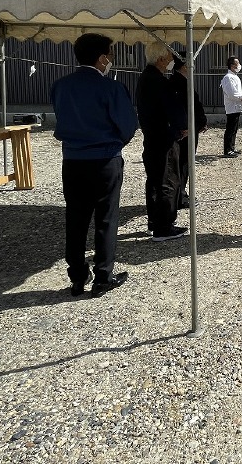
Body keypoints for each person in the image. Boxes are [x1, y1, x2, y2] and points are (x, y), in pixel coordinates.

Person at [50, 33, 138, 297]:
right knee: (106, 218)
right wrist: (114, 143)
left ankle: (77, 276)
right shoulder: (111, 87)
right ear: (102, 58)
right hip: (105, 159)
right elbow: (128, 125)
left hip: (73, 160)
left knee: (75, 217)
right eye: (110, 55)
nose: (111, 60)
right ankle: (103, 275)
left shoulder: (61, 85)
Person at [136, 41, 188, 241]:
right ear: (160, 59)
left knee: (155, 181)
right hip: (164, 138)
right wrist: (182, 127)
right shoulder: (159, 81)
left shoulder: (146, 78)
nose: (170, 61)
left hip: (151, 137)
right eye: (168, 57)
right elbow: (173, 110)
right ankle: (164, 226)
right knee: (167, 180)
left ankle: (154, 221)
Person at [169, 57, 208, 210]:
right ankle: (180, 195)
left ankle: (180, 193)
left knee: (184, 162)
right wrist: (189, 126)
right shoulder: (179, 83)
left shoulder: (180, 81)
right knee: (183, 163)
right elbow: (185, 108)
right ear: (185, 65)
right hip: (185, 131)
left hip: (189, 128)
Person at [220, 55, 242, 158]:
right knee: (230, 128)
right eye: (237, 64)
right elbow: (231, 93)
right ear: (231, 66)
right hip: (232, 107)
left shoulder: (235, 77)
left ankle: (232, 147)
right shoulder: (228, 78)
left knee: (234, 128)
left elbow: (238, 91)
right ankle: (227, 150)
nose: (239, 65)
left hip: (237, 106)